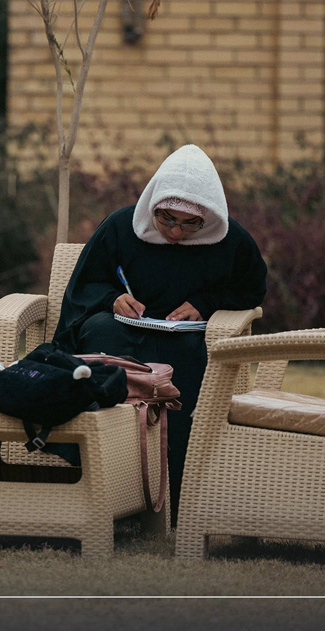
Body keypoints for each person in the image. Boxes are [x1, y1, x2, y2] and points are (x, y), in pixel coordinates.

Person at [52, 144, 267, 526]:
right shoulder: (121, 226)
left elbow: (251, 290)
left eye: (190, 224)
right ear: (153, 205)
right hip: (122, 331)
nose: (176, 232)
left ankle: (179, 495)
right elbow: (86, 283)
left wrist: (205, 303)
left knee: (191, 356)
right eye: (167, 219)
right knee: (100, 335)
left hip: (186, 338)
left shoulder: (231, 240)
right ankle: (102, 483)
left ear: (208, 217)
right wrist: (112, 298)